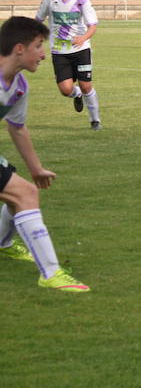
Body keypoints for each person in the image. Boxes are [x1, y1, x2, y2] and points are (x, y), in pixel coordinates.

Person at [0, 17, 90, 291]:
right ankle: (51, 274)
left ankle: (4, 243)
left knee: (23, 191)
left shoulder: (19, 86)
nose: (42, 54)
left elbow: (17, 128)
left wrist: (36, 168)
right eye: (38, 46)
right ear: (19, 48)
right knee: (24, 193)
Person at [35, 0, 102, 130]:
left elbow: (92, 25)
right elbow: (38, 21)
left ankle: (95, 121)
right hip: (59, 51)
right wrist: (37, 44)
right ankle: (76, 94)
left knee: (86, 85)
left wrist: (83, 38)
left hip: (81, 49)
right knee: (65, 90)